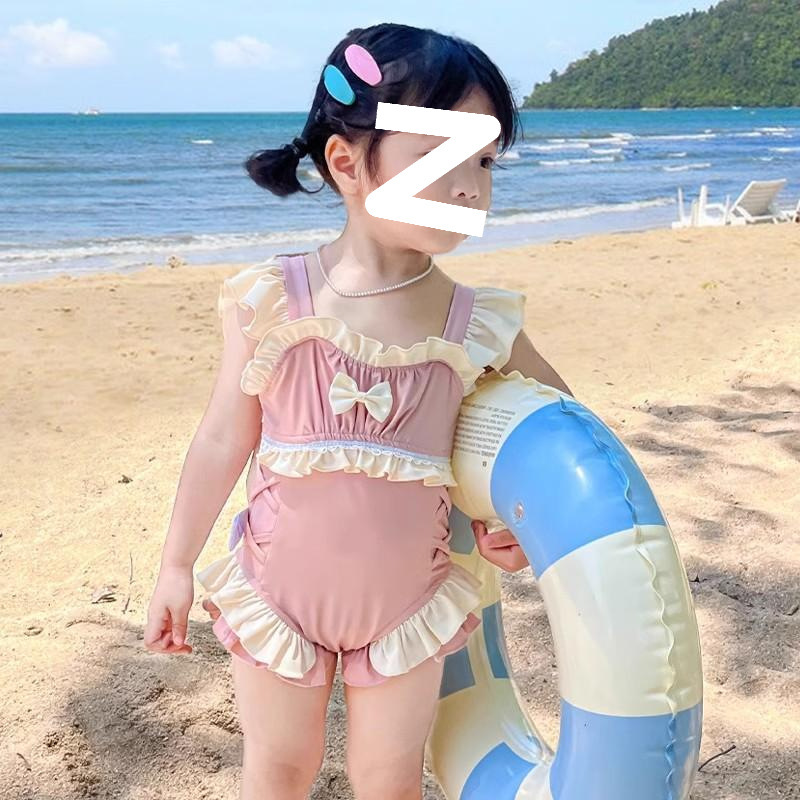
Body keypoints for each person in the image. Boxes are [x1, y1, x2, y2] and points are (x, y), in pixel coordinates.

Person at [143, 22, 573, 800]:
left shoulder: (477, 322)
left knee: (389, 777)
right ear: (347, 163)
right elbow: (221, 439)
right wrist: (176, 566)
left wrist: (510, 518)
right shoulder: (272, 299)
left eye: (483, 160)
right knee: (279, 769)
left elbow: (557, 426)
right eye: (441, 156)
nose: (470, 186)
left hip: (407, 606)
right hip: (277, 596)